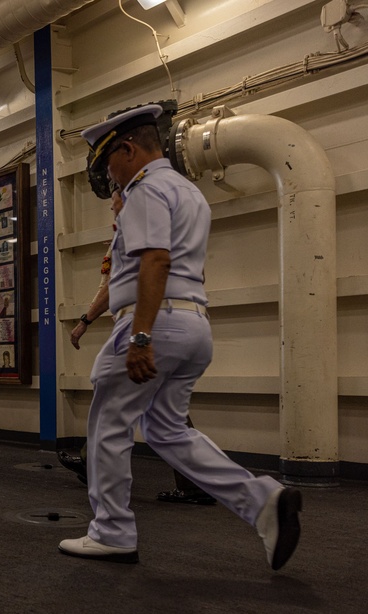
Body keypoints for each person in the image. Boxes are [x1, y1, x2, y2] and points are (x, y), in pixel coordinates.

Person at [58, 104, 302, 570]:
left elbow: (155, 262)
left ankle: (111, 531)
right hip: (194, 324)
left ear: (128, 150)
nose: (110, 174)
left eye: (110, 161)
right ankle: (262, 502)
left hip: (155, 323)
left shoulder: (145, 191)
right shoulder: (189, 193)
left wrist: (141, 337)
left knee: (109, 426)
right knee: (166, 430)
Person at [62, 191, 216, 505]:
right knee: (164, 409)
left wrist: (85, 321)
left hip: (151, 329)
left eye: (116, 199)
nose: (112, 205)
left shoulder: (142, 237)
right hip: (176, 328)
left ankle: (97, 468)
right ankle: (195, 482)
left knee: (114, 396)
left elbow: (115, 287)